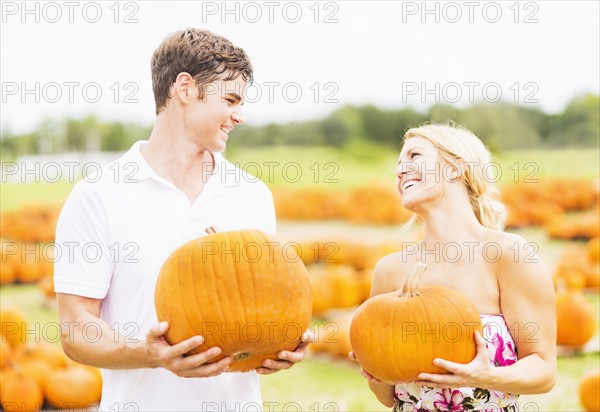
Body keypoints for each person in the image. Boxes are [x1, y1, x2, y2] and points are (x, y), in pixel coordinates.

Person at [54, 28, 311, 412]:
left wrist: (274, 347)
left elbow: (259, 307)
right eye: (231, 99)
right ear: (186, 88)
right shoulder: (99, 195)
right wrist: (149, 354)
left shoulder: (252, 194)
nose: (239, 116)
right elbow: (75, 328)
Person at [351, 124, 556, 411]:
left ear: (454, 169)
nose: (400, 169)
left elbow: (544, 370)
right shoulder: (390, 270)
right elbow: (387, 397)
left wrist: (489, 377)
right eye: (399, 163)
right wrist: (375, 373)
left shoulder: (508, 254)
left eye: (414, 155)